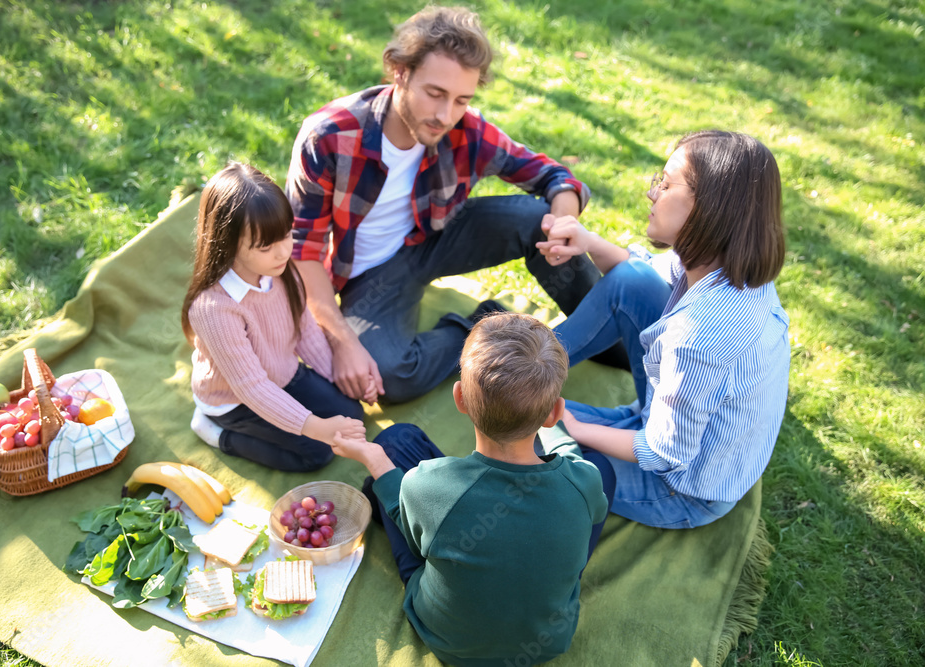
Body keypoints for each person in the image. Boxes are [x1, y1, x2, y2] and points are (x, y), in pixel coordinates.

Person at [286, 5, 625, 405]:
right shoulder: (328, 137)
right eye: (435, 94)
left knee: (544, 221)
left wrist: (565, 222)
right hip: (369, 274)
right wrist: (342, 340)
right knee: (390, 376)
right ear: (399, 71)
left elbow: (555, 177)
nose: (446, 115)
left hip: (435, 238)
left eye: (462, 100)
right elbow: (302, 252)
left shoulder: (468, 129)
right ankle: (484, 326)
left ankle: (610, 338)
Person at [536, 130, 790, 529]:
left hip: (681, 490)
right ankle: (530, 364)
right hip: (668, 427)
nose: (652, 193)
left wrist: (579, 429)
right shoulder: (725, 266)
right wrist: (586, 242)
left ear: (709, 209)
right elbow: (638, 279)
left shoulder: (701, 336)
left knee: (529, 432)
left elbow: (662, 454)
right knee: (630, 280)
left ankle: (532, 395)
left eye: (667, 184)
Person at [331, 312, 616, 666]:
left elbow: (406, 518)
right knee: (602, 471)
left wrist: (374, 459)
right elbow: (578, 469)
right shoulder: (583, 480)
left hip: (446, 640)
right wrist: (560, 435)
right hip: (548, 641)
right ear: (554, 412)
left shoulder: (427, 484)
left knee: (394, 442)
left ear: (460, 398)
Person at [180, 162, 367, 472]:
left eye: (286, 235)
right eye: (266, 246)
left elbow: (305, 330)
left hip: (282, 373)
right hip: (235, 400)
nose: (283, 252)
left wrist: (336, 378)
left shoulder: (279, 270)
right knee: (316, 452)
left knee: (352, 415)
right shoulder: (214, 309)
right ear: (228, 245)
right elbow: (251, 387)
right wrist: (314, 427)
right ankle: (217, 434)